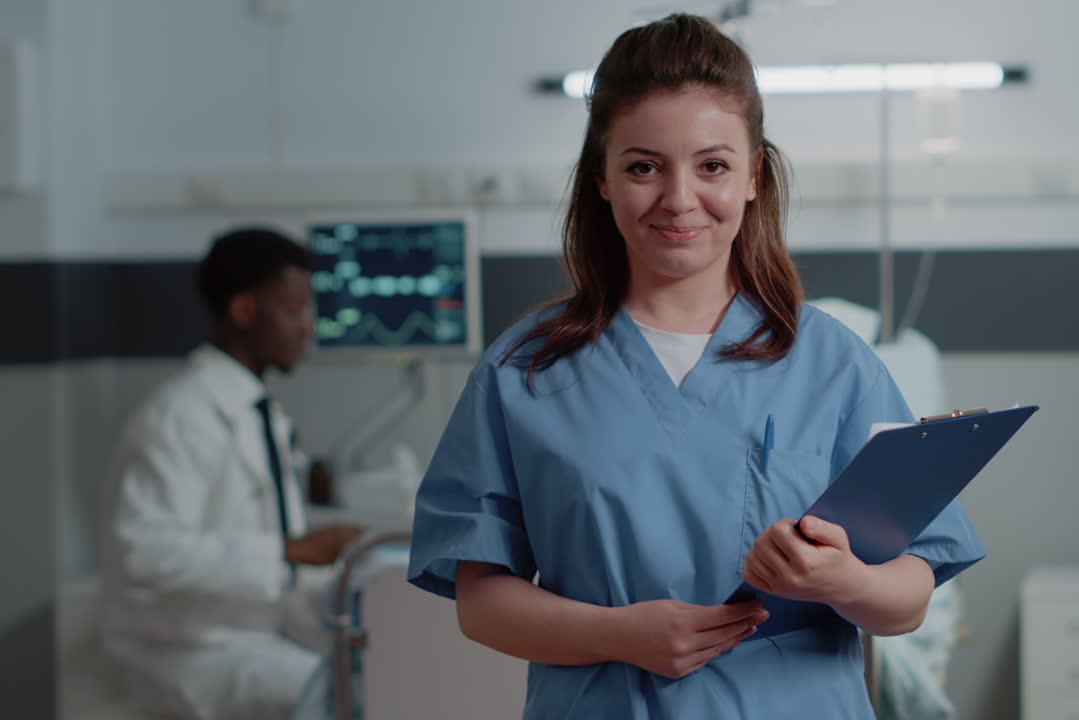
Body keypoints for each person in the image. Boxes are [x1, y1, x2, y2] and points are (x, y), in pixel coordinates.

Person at [408, 13, 984, 719]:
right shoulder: (524, 370)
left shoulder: (832, 362)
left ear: (752, 177)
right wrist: (617, 634)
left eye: (712, 165)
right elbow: (480, 601)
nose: (679, 199)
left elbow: (910, 595)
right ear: (602, 179)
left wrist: (842, 581)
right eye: (644, 166)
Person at [100, 227, 362, 720]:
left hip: (248, 635)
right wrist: (289, 551)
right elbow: (145, 553)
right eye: (294, 311)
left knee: (379, 669)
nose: (307, 327)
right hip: (188, 657)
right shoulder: (179, 418)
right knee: (346, 699)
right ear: (244, 311)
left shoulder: (253, 412)